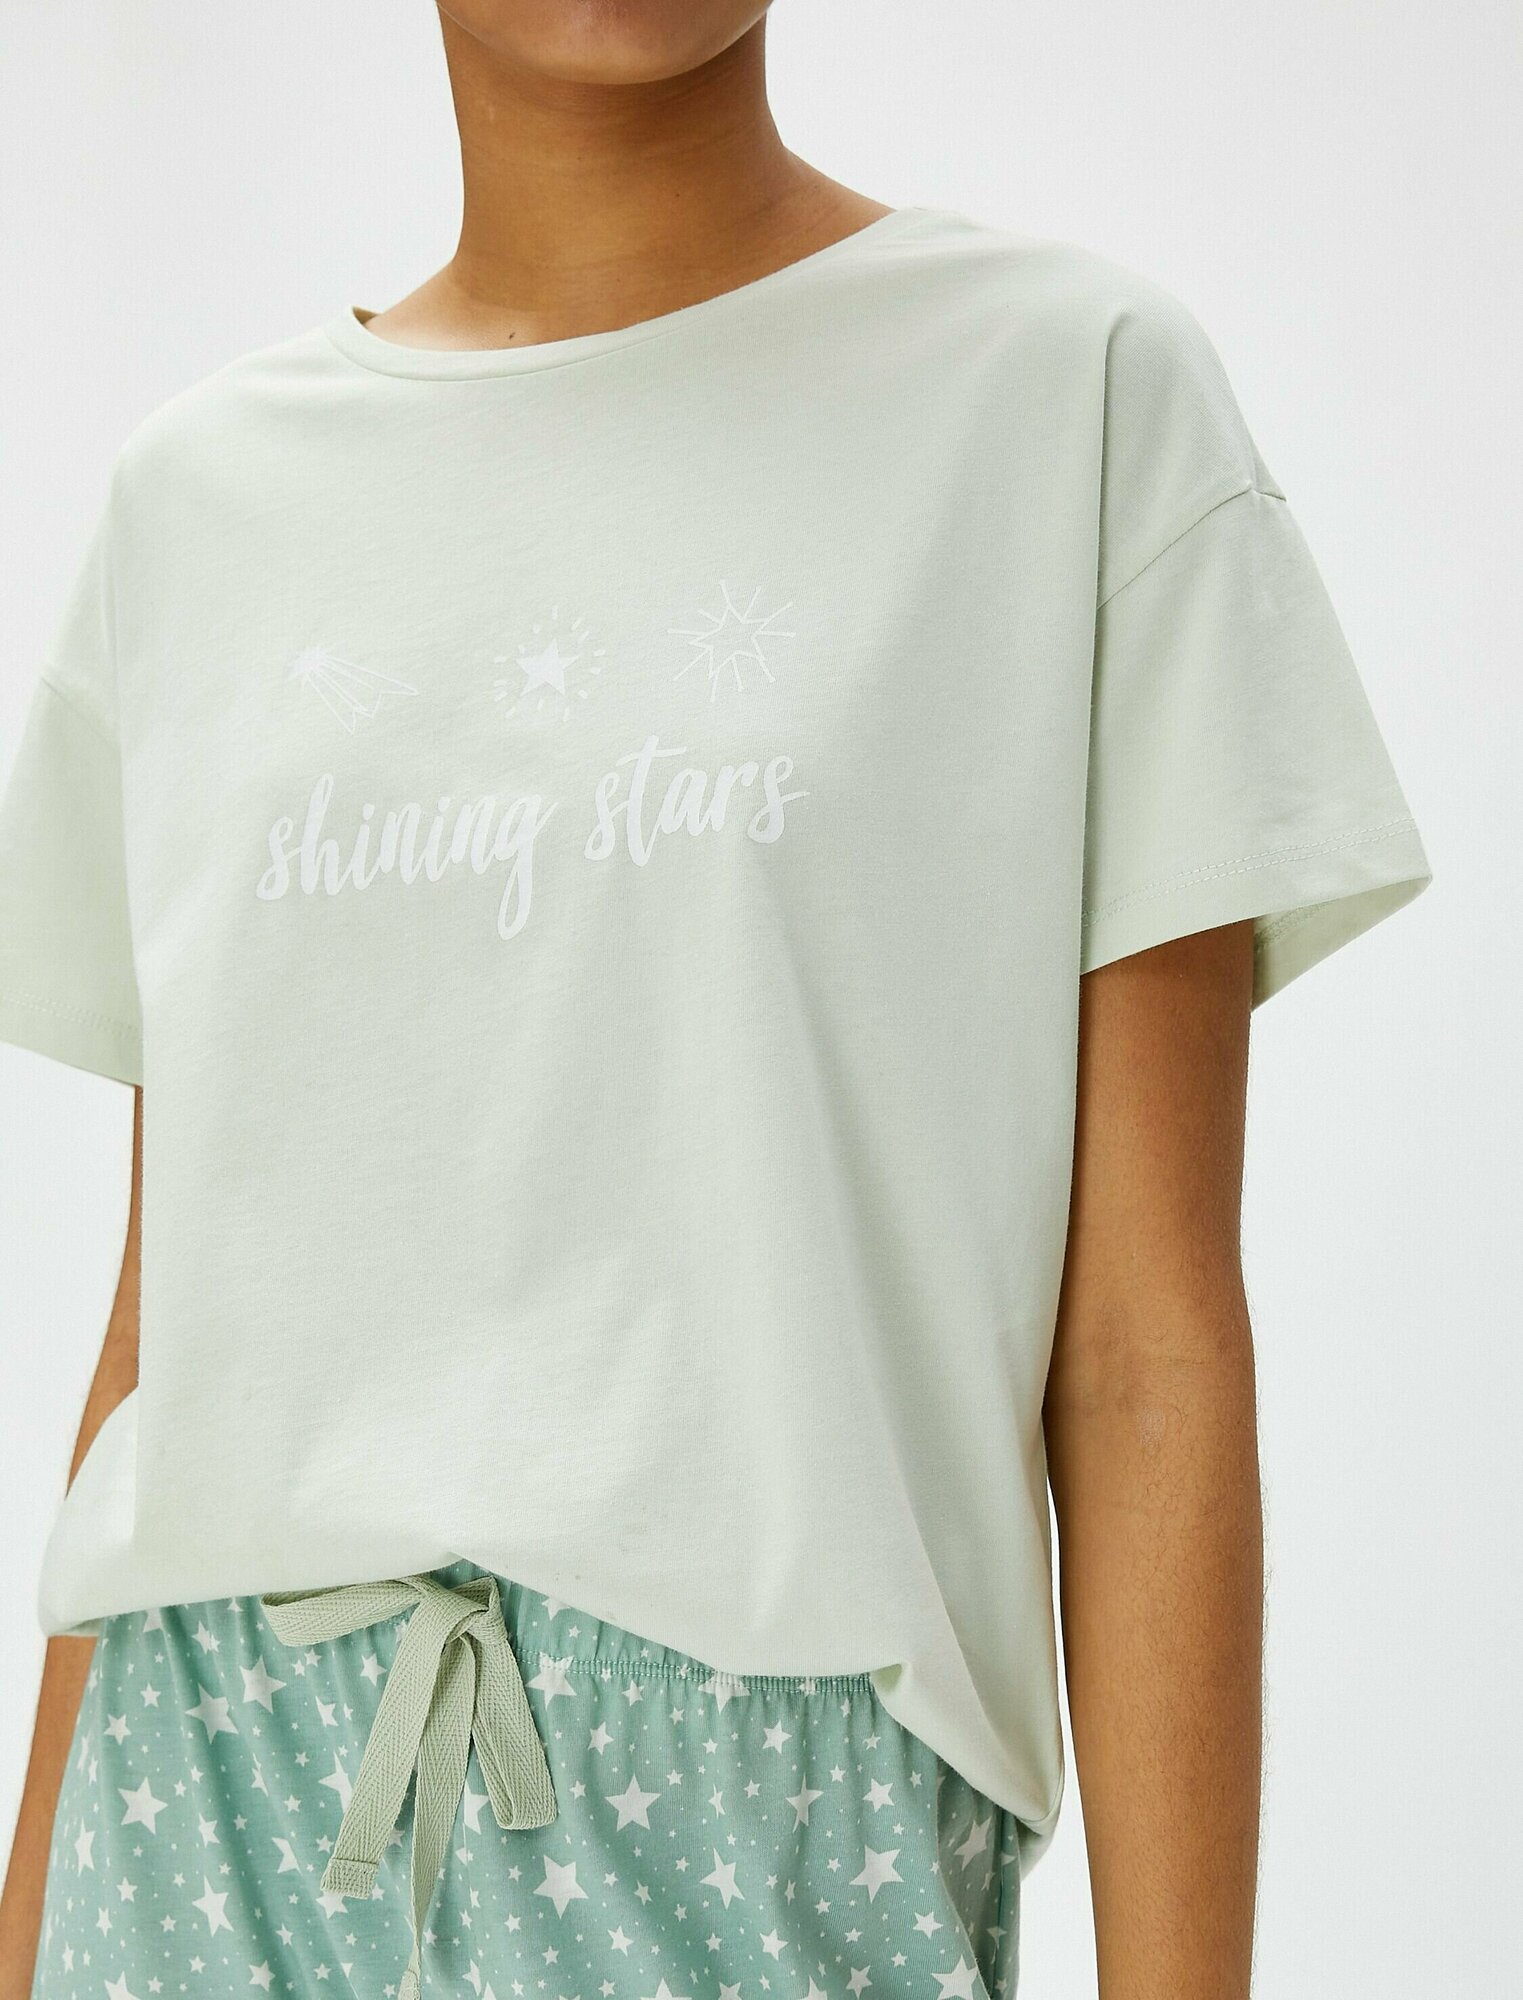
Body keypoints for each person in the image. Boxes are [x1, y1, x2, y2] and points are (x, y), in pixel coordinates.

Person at [0, 6, 1432, 1998]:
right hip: (203, 1810)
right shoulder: (200, 501)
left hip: (768, 1844)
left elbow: (1143, 1351)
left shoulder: (1065, 394)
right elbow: (174, 1322)